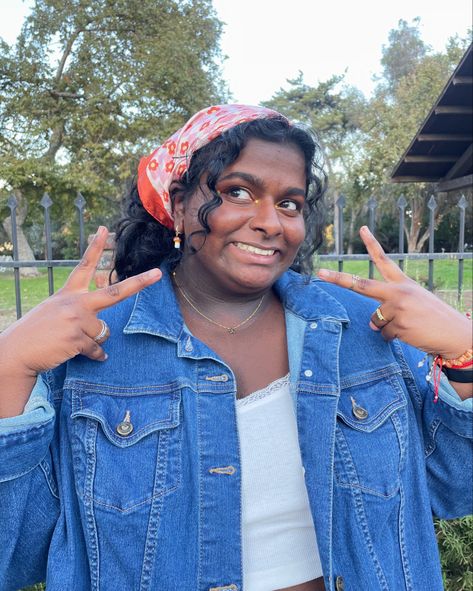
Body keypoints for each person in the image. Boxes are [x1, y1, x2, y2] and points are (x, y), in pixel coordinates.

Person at [0, 104, 471, 591]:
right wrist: (8, 366)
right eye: (238, 192)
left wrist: (465, 351)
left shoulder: (365, 329)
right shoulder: (92, 349)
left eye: (290, 204)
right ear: (179, 204)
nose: (271, 222)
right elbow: (12, 556)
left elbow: (455, 486)